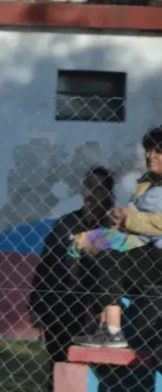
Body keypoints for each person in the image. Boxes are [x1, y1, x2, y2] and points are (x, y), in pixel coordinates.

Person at [75, 128, 162, 349]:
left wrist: (127, 220)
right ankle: (108, 327)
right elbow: (130, 213)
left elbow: (145, 220)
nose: (150, 156)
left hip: (155, 255)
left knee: (109, 256)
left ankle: (112, 330)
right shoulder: (148, 184)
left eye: (159, 150)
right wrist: (112, 224)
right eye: (149, 150)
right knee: (95, 253)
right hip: (148, 251)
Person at [29, 168, 114, 367]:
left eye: (100, 189)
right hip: (62, 300)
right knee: (59, 358)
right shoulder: (66, 224)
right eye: (90, 186)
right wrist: (36, 304)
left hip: (96, 302)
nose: (93, 193)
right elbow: (46, 265)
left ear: (109, 194)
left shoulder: (111, 227)